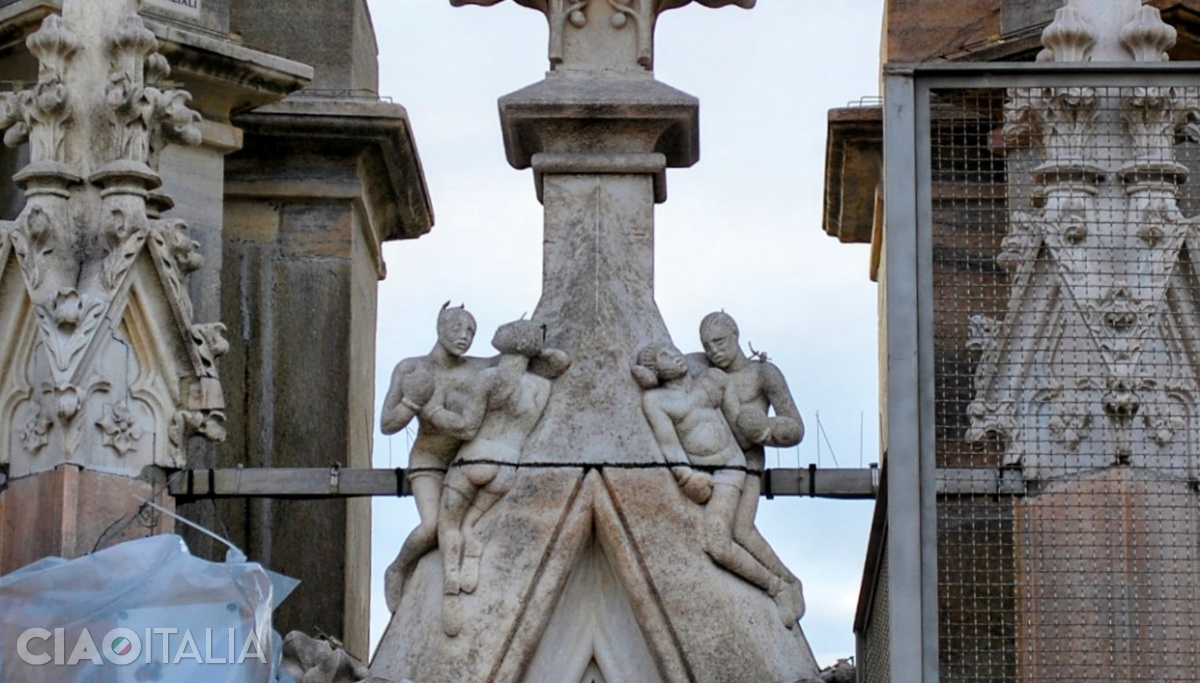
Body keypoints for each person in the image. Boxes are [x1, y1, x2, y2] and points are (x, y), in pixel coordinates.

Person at [634, 342, 802, 628]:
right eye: (664, 356)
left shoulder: (713, 380)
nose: (674, 355)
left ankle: (782, 587)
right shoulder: (657, 401)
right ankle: (778, 585)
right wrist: (686, 476)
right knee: (723, 540)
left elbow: (739, 426)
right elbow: (669, 445)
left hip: (733, 468)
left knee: (722, 538)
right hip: (706, 475)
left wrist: (760, 430)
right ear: (655, 370)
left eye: (673, 349)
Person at [419, 319, 569, 636]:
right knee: (471, 522)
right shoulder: (541, 387)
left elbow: (467, 428)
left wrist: (432, 412)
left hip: (475, 458)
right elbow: (559, 363)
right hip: (507, 466)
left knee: (448, 524)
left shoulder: (490, 378)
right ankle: (473, 539)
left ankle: (450, 588)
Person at [687, 311, 806, 623]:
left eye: (720, 342)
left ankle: (788, 584)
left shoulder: (763, 374)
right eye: (707, 345)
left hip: (748, 460)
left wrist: (765, 429)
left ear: (735, 335)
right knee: (718, 535)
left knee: (740, 529)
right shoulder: (703, 368)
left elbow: (795, 427)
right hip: (714, 463)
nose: (714, 351)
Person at [379, 303, 492, 613]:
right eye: (458, 329)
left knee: (466, 527)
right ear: (440, 328)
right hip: (428, 459)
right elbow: (388, 424)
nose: (465, 337)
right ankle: (399, 568)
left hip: (464, 462)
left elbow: (507, 362)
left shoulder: (475, 368)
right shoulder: (412, 369)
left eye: (471, 332)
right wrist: (411, 402)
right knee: (432, 526)